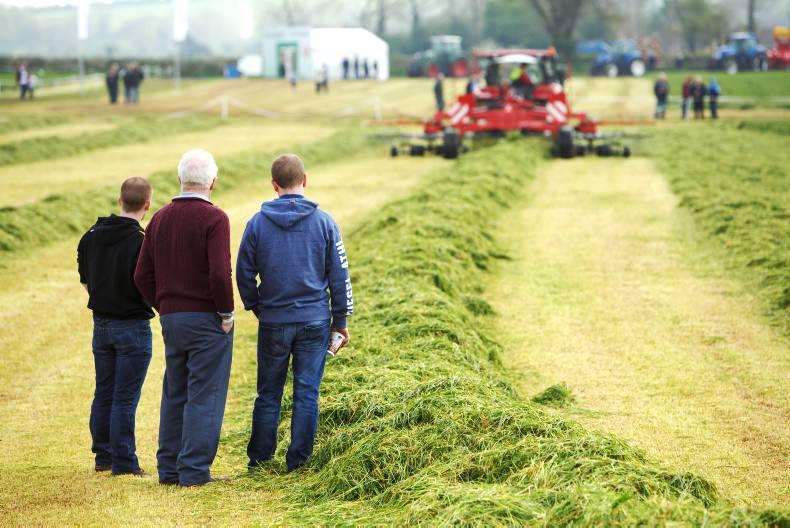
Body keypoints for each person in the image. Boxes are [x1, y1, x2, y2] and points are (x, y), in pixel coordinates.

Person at [237, 154, 353, 472]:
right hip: (315, 320)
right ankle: (298, 462)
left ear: (274, 185)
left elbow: (243, 272)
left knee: (268, 393)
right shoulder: (326, 223)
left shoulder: (257, 223)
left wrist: (257, 306)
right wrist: (340, 321)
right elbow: (340, 277)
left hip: (274, 319)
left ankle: (260, 460)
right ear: (306, 180)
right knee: (306, 392)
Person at [134, 149, 234, 487]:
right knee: (205, 393)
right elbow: (220, 274)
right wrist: (226, 312)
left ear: (180, 180)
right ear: (213, 182)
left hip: (173, 319)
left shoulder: (159, 218)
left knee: (175, 391)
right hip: (207, 318)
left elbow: (140, 276)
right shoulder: (215, 219)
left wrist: (165, 307)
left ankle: (169, 469)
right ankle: (192, 471)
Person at [78, 177, 154, 477]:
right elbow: (148, 284)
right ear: (147, 205)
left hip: (101, 323)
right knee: (125, 396)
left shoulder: (91, 235)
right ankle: (124, 462)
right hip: (133, 325)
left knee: (104, 391)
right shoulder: (141, 240)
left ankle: (103, 455)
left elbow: (85, 280)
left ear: (120, 200)